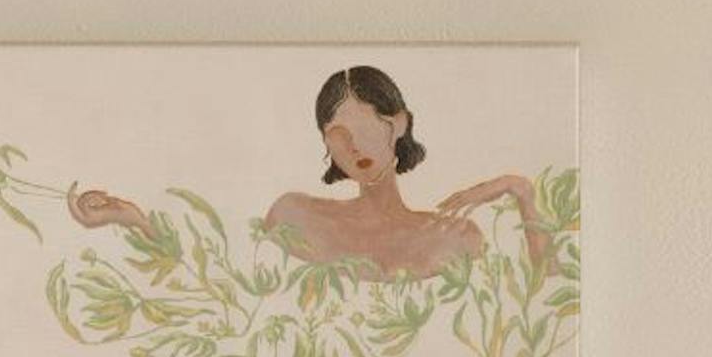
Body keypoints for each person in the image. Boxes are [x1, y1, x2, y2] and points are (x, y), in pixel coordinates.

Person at [67, 64, 546, 280]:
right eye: (338, 133)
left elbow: (549, 322)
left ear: (396, 124)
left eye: (364, 125)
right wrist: (131, 219)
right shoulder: (295, 216)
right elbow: (217, 285)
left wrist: (521, 193)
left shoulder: (456, 237)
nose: (353, 145)